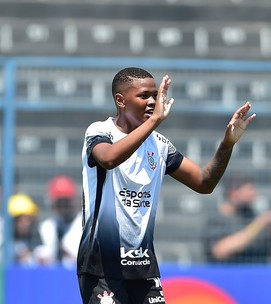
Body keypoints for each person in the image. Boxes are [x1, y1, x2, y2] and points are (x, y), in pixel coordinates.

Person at [78, 67, 255, 304]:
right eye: (144, 96)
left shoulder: (160, 145)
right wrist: (153, 122)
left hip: (144, 267)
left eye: (155, 95)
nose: (152, 101)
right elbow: (109, 159)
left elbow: (204, 183)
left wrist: (227, 144)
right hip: (101, 266)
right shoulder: (100, 131)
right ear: (120, 100)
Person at [204, 176, 271, 264]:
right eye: (250, 190)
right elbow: (219, 251)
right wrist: (257, 225)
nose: (254, 195)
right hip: (227, 274)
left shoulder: (253, 216)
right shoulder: (217, 219)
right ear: (233, 193)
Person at [38, 175, 83, 268]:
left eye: (66, 202)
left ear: (73, 201)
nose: (63, 208)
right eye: (59, 203)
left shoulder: (85, 224)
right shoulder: (46, 227)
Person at [8, 193, 43, 266]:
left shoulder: (38, 238)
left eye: (29, 219)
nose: (26, 223)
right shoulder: (4, 241)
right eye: (21, 219)